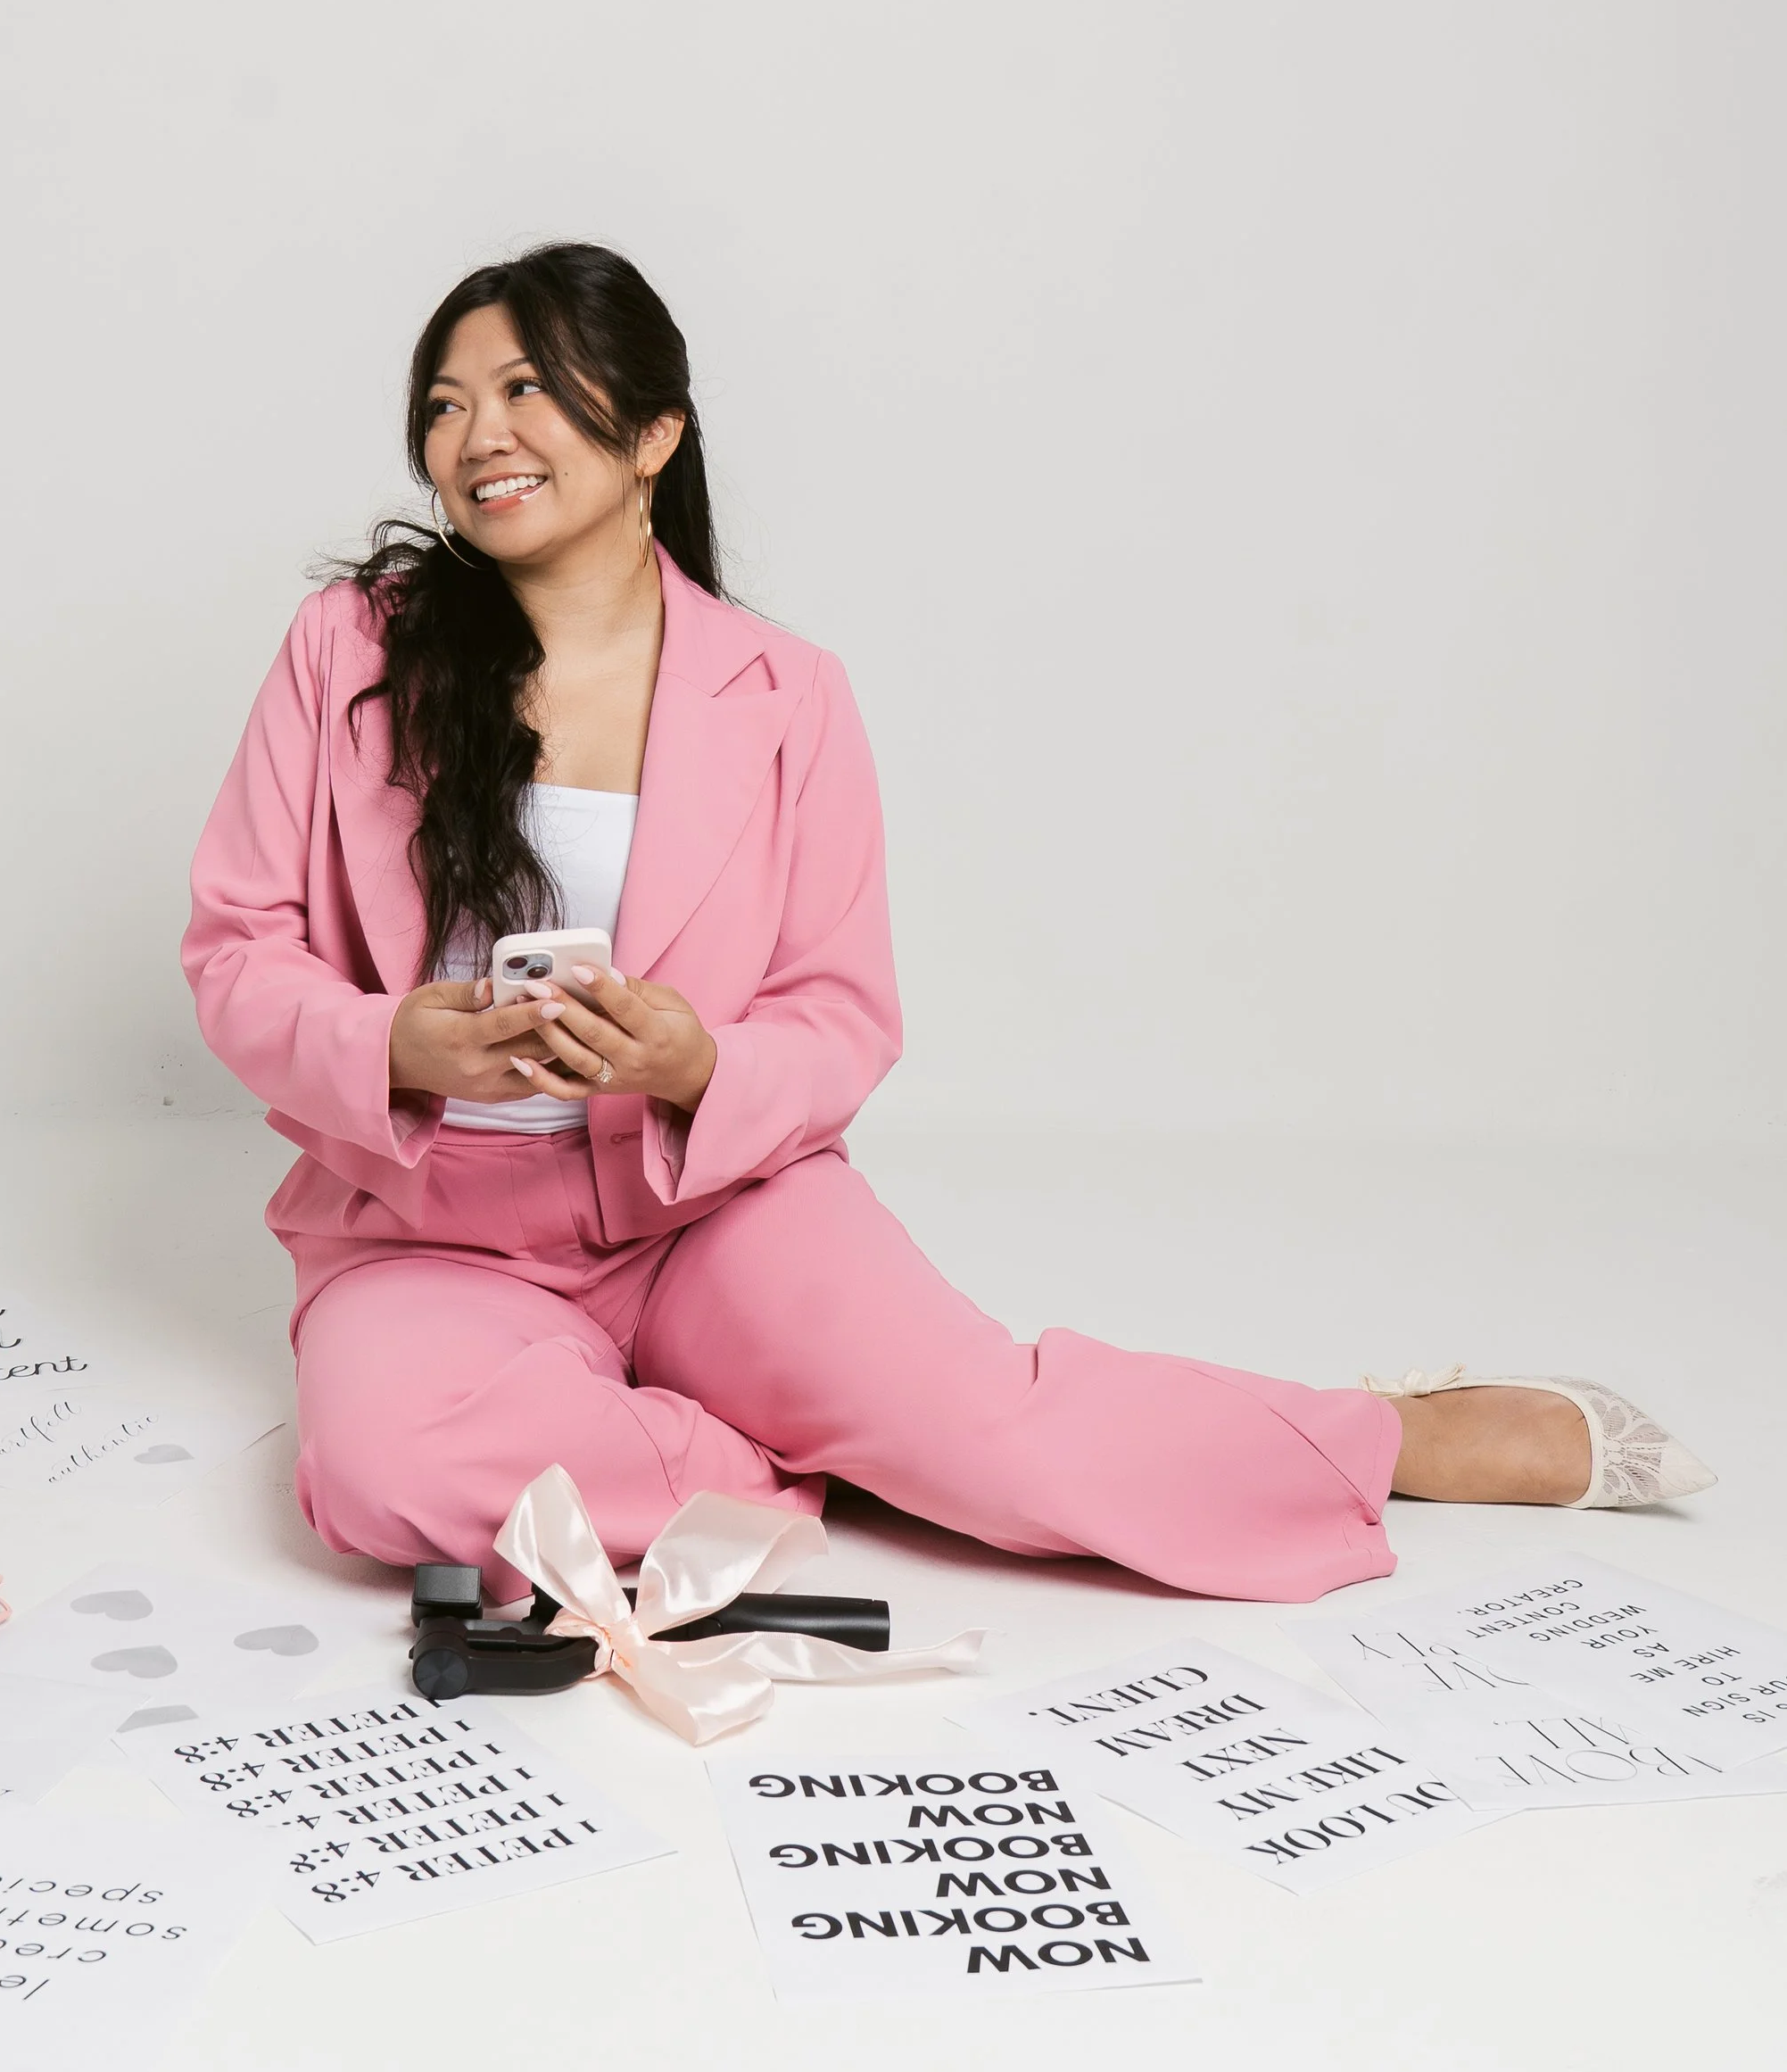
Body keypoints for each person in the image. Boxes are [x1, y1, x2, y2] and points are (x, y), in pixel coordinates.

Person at [185, 243, 1713, 1605]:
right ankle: (803, 1451)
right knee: (387, 1480)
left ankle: (1389, 1432)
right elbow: (238, 945)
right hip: (431, 1234)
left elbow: (842, 1014)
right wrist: (396, 1037)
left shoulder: (790, 696)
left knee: (1001, 1440)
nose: (477, 437)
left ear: (653, 430)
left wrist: (694, 1062)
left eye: (525, 388)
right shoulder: (350, 649)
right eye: (444, 406)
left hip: (712, 1209)